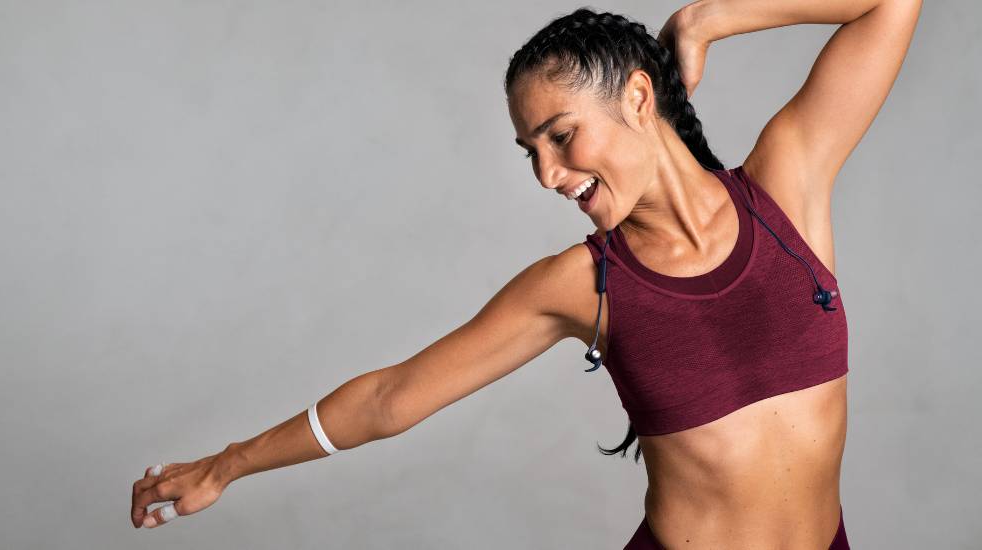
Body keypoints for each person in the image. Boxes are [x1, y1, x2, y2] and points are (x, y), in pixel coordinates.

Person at [130, 2, 921, 547]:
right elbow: (389, 399)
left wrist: (709, 18)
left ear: (639, 97)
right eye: (531, 151)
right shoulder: (586, 284)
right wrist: (227, 465)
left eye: (561, 135)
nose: (547, 174)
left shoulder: (787, 189)